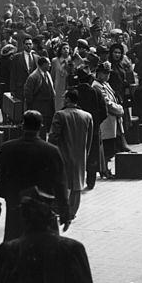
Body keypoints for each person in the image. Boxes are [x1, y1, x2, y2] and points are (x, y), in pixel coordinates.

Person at [0, 110, 70, 242]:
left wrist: (9, 198)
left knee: (14, 245)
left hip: (16, 207)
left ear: (22, 126)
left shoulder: (7, 148)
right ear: (41, 127)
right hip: (42, 210)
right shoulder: (51, 151)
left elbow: (0, 181)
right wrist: (65, 211)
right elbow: (60, 183)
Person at [48, 88, 95, 219]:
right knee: (77, 185)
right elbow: (89, 139)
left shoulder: (60, 115)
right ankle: (72, 212)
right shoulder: (87, 116)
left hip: (63, 155)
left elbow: (53, 137)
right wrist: (85, 153)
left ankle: (60, 209)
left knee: (61, 183)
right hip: (80, 156)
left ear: (68, 99)